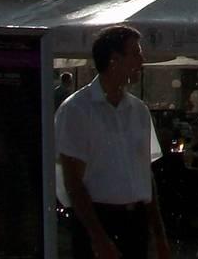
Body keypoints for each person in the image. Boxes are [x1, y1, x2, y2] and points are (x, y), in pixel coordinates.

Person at [55, 25, 171, 259]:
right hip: (99, 219)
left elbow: (145, 175)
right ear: (114, 60)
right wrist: (99, 238)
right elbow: (73, 182)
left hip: (135, 223)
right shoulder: (77, 110)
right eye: (136, 53)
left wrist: (159, 236)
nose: (142, 60)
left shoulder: (138, 111)